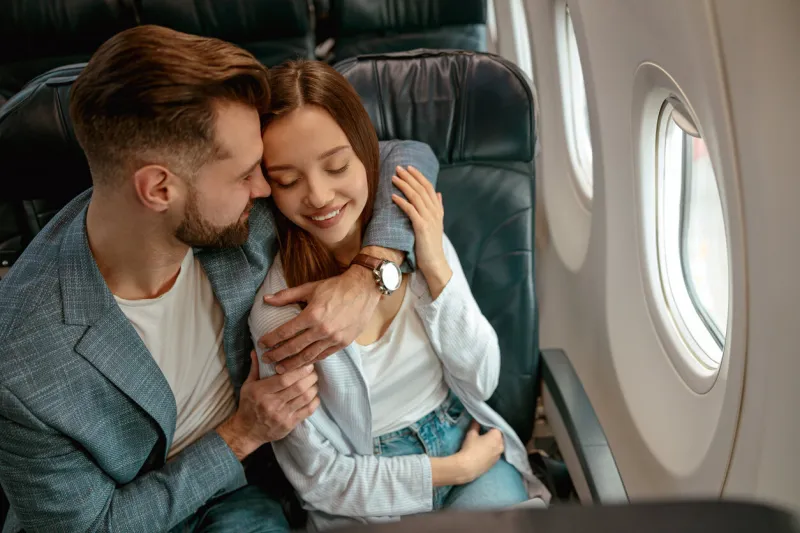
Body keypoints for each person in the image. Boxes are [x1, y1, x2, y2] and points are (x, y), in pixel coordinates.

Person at [0, 26, 438, 533]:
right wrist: (240, 435)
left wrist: (369, 275)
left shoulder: (240, 217)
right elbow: (92, 527)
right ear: (160, 188)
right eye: (248, 173)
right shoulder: (21, 365)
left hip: (249, 493)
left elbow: (400, 156)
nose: (264, 187)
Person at [249, 60, 549, 531]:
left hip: (459, 432)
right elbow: (320, 479)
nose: (320, 196)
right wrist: (456, 470)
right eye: (288, 181)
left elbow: (483, 378)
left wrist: (436, 268)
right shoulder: (280, 312)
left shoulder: (413, 232)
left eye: (336, 166)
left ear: (369, 152)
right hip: (372, 491)